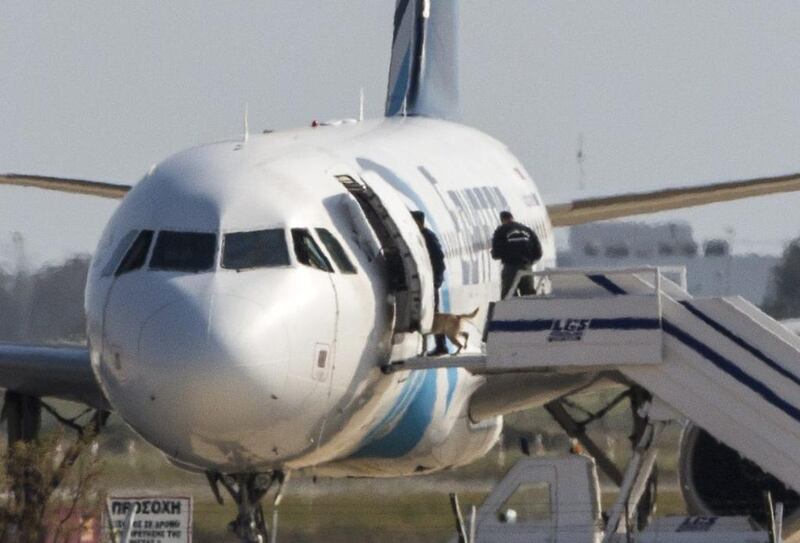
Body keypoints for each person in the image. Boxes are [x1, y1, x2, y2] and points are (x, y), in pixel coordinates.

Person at [411, 210, 447, 355]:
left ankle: (440, 345)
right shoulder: (419, 236)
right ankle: (433, 346)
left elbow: (439, 260)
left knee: (433, 314)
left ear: (419, 223)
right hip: (425, 282)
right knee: (428, 313)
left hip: (431, 283)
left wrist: (436, 282)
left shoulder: (428, 237)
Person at [491, 210, 542, 299]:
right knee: (529, 297)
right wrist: (528, 263)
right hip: (526, 268)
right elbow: (538, 253)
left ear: (502, 220)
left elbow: (496, 253)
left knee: (508, 298)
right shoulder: (527, 230)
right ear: (512, 218)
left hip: (511, 268)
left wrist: (496, 254)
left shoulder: (501, 230)